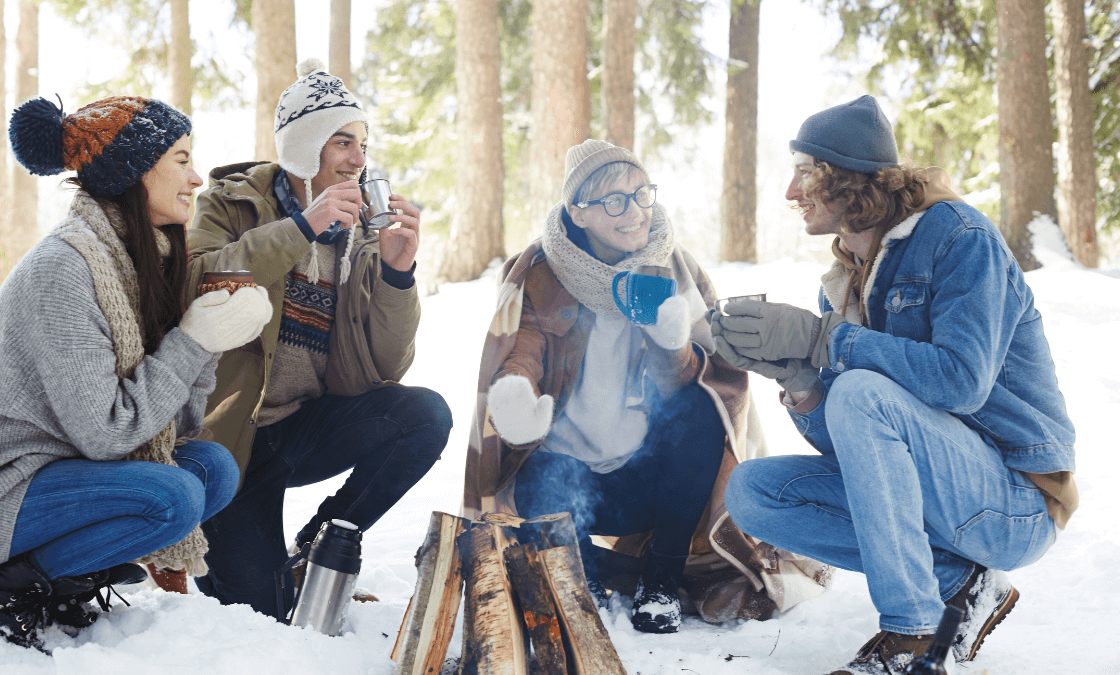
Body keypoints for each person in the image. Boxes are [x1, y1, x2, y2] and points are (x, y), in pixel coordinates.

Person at [711, 95, 1078, 674]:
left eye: (805, 172)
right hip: (944, 498)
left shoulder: (960, 239)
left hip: (1014, 500)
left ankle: (912, 633)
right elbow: (858, 449)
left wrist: (825, 341)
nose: (790, 191)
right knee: (754, 492)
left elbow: (961, 382)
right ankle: (959, 582)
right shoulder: (842, 285)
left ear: (848, 179)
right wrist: (800, 381)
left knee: (860, 392)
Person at [0, 95, 272, 650]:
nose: (197, 178)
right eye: (182, 160)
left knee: (211, 469)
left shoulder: (137, 263)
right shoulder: (65, 268)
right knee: (175, 497)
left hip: (51, 472)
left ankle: (61, 582)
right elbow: (108, 434)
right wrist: (192, 340)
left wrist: (210, 342)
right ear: (136, 170)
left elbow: (175, 426)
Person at [462, 139, 831, 634]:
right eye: (615, 200)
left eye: (642, 194)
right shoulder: (542, 272)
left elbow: (702, 385)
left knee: (701, 413)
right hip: (566, 484)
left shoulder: (674, 266)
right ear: (579, 211)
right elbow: (523, 345)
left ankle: (660, 580)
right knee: (525, 473)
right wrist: (514, 394)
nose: (634, 212)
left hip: (648, 482)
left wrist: (670, 344)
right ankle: (584, 571)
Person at [185, 58, 453, 618]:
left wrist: (398, 275)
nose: (359, 159)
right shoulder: (229, 204)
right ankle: (240, 558)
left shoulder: (355, 237)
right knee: (260, 609)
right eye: (342, 142)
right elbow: (197, 281)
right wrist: (301, 227)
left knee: (425, 415)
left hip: (302, 430)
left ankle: (321, 541)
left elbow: (382, 372)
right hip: (231, 441)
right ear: (304, 148)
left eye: (363, 144)